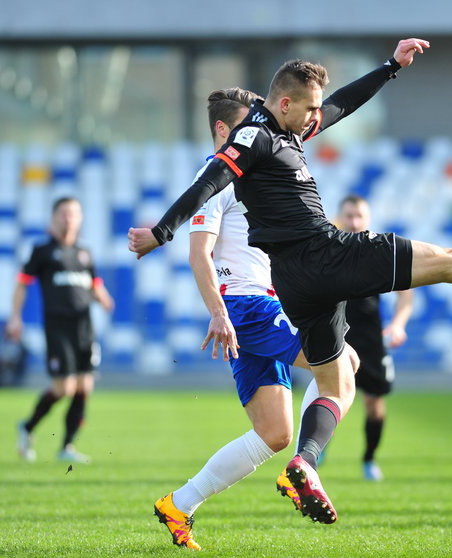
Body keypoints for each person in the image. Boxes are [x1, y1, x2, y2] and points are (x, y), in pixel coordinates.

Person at [130, 37, 452, 523]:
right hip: (325, 255)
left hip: (294, 285)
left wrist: (391, 66)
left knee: (331, 379)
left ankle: (301, 463)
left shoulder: (285, 129)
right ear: (284, 103)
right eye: (308, 110)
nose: (316, 118)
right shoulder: (254, 137)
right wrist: (161, 231)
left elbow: (342, 105)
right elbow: (209, 181)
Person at [152, 87, 329, 551]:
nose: (257, 127)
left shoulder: (254, 168)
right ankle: (304, 469)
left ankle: (180, 504)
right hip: (248, 306)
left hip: (258, 304)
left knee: (274, 432)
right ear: (222, 129)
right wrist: (219, 313)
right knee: (342, 364)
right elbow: (199, 254)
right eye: (248, 120)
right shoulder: (217, 177)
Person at [9, 197, 114, 464]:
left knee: (84, 386)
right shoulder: (42, 251)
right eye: (64, 213)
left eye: (74, 214)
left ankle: (67, 446)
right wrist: (15, 317)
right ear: (54, 217)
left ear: (80, 219)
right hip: (57, 327)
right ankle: (28, 427)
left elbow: (95, 284)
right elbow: (22, 283)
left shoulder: (85, 253)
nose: (69, 218)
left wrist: (103, 297)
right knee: (64, 387)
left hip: (84, 327)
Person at [335, 194, 413, 481]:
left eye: (359, 216)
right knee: (328, 397)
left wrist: (398, 324)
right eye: (349, 216)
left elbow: (406, 293)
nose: (354, 222)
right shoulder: (330, 249)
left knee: (374, 404)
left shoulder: (379, 252)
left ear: (367, 220)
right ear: (340, 218)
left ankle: (369, 459)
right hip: (335, 339)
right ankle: (314, 452)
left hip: (369, 341)